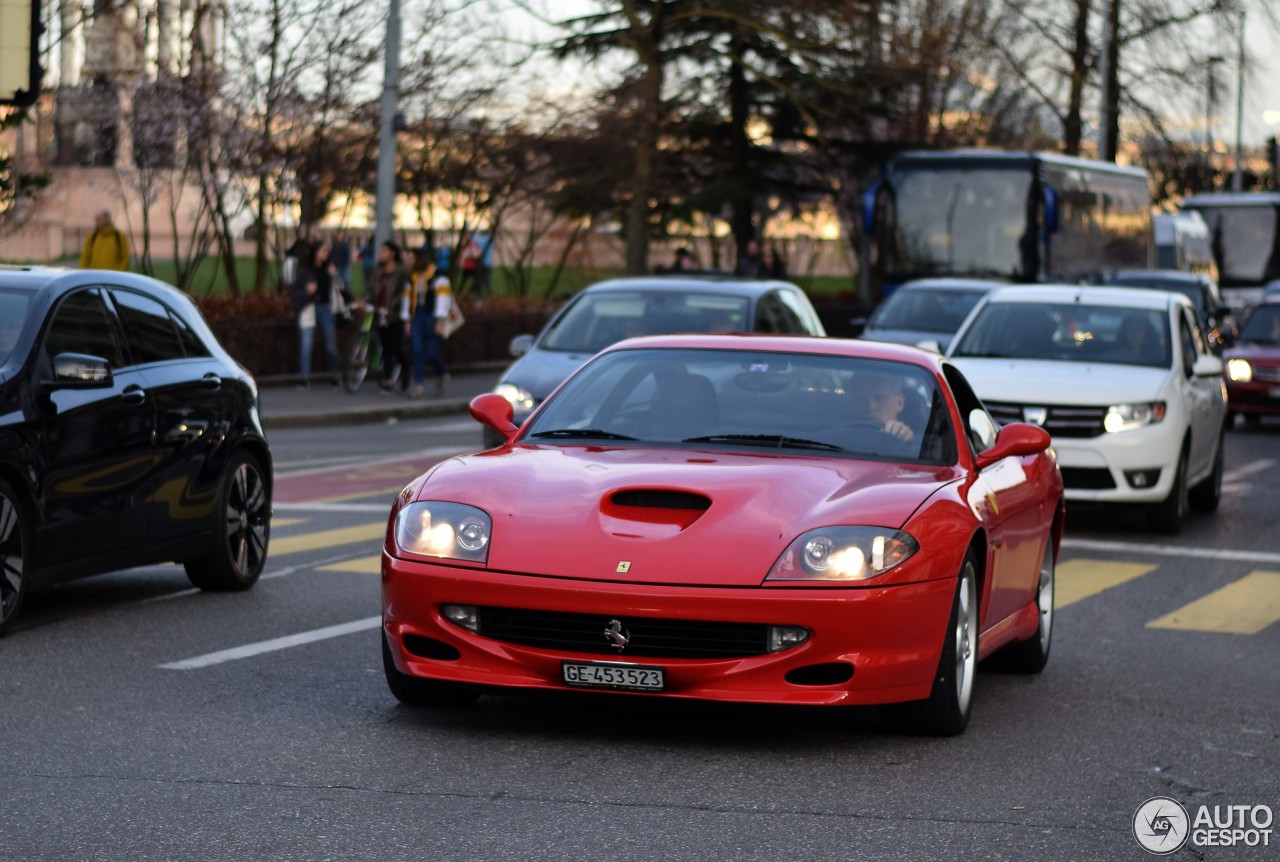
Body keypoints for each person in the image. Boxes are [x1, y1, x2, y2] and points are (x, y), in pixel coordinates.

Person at [406, 251, 452, 398]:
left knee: (431, 353)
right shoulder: (412, 278)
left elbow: (443, 298)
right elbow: (407, 299)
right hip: (417, 315)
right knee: (417, 350)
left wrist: (440, 320)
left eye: (411, 258)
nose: (408, 261)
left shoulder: (437, 276)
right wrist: (406, 319)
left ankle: (442, 373)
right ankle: (418, 384)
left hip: (432, 316)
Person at [299, 239, 343, 387]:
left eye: (327, 251)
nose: (326, 253)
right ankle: (304, 378)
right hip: (309, 308)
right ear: (315, 252)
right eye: (323, 250)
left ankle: (334, 375)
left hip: (326, 308)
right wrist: (307, 291)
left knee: (330, 344)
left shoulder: (329, 269)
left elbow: (341, 287)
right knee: (306, 344)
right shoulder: (307, 270)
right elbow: (296, 289)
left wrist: (334, 274)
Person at [373, 241, 411, 391]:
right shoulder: (378, 270)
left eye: (384, 251)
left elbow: (406, 291)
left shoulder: (401, 271)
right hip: (381, 311)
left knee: (394, 347)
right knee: (385, 347)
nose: (381, 255)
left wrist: (396, 305)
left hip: (395, 314)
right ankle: (387, 379)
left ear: (392, 253)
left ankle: (405, 367)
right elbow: (373, 288)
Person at [853, 373, 916, 444]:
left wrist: (906, 441)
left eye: (880, 398)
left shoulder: (914, 444)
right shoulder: (842, 436)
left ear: (900, 403)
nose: (870, 407)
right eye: (862, 399)